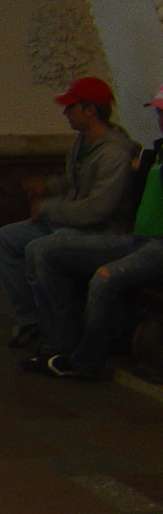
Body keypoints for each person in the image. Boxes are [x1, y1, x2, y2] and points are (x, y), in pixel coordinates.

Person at [0, 76, 138, 349]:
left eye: (71, 107)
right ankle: (32, 321)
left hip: (104, 233)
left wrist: (47, 207)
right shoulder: (84, 143)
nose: (65, 112)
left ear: (90, 110)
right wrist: (46, 186)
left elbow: (97, 210)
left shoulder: (115, 153)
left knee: (42, 248)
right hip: (73, 223)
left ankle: (60, 336)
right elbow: (76, 183)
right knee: (3, 240)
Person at [26, 87, 163, 380]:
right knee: (46, 250)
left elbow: (98, 208)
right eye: (159, 112)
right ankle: (56, 343)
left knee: (105, 278)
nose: (160, 118)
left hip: (158, 245)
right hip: (141, 238)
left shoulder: (116, 148)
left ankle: (86, 362)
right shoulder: (159, 148)